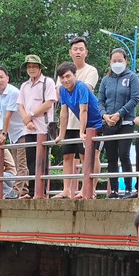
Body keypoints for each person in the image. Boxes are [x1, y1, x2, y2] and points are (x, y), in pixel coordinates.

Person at [54, 61, 103, 198]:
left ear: (75, 75)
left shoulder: (81, 87)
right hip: (81, 125)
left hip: (97, 124)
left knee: (90, 156)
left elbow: (84, 110)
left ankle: (88, 189)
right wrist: (61, 135)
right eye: (62, 77)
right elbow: (64, 113)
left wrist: (82, 132)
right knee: (67, 155)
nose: (65, 80)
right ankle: (66, 190)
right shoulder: (63, 90)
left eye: (68, 76)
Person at [98, 48, 139, 197]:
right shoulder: (105, 80)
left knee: (124, 154)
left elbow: (135, 99)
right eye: (114, 61)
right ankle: (114, 190)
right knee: (111, 157)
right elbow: (100, 101)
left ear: (125, 61)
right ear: (110, 62)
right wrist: (105, 115)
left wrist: (119, 113)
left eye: (120, 60)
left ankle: (129, 188)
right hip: (108, 123)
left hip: (126, 122)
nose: (117, 63)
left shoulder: (132, 77)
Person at [16, 54, 57, 196]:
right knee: (30, 161)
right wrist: (26, 120)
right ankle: (32, 191)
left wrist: (31, 115)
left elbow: (48, 103)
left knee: (42, 162)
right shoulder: (24, 85)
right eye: (29, 67)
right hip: (28, 129)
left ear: (40, 68)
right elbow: (20, 105)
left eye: (34, 66)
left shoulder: (48, 82)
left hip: (43, 128)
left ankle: (41, 191)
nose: (31, 69)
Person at [0, 65, 24, 197]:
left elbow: (8, 115)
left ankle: (19, 192)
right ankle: (16, 192)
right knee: (16, 161)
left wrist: (3, 134)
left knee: (21, 162)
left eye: (1, 77)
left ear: (7, 78)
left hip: (22, 130)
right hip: (12, 133)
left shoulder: (13, 92)